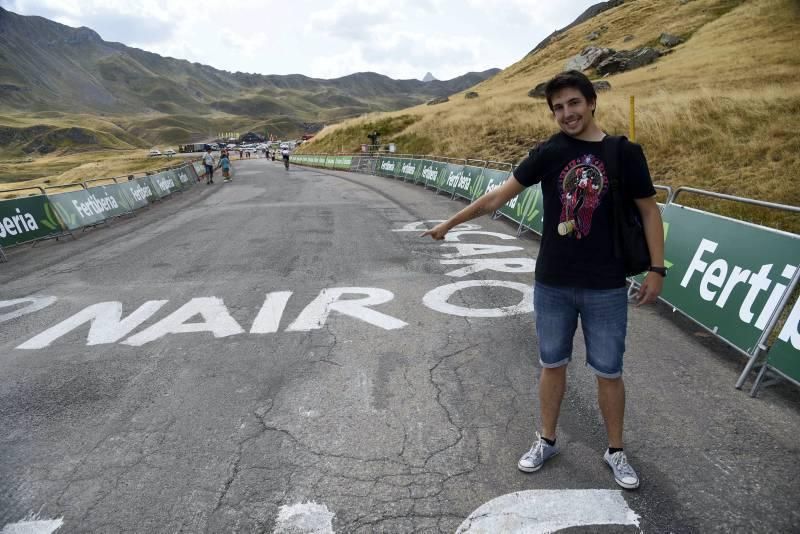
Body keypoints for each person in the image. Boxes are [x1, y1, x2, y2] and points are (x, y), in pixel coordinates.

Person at [421, 70, 665, 490]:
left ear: (591, 103)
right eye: (557, 107)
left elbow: (648, 211)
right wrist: (450, 223)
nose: (566, 113)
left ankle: (616, 451)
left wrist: (657, 270)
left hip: (605, 285)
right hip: (553, 283)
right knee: (552, 365)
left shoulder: (624, 152)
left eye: (573, 103)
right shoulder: (550, 152)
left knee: (609, 371)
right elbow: (498, 196)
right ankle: (547, 440)